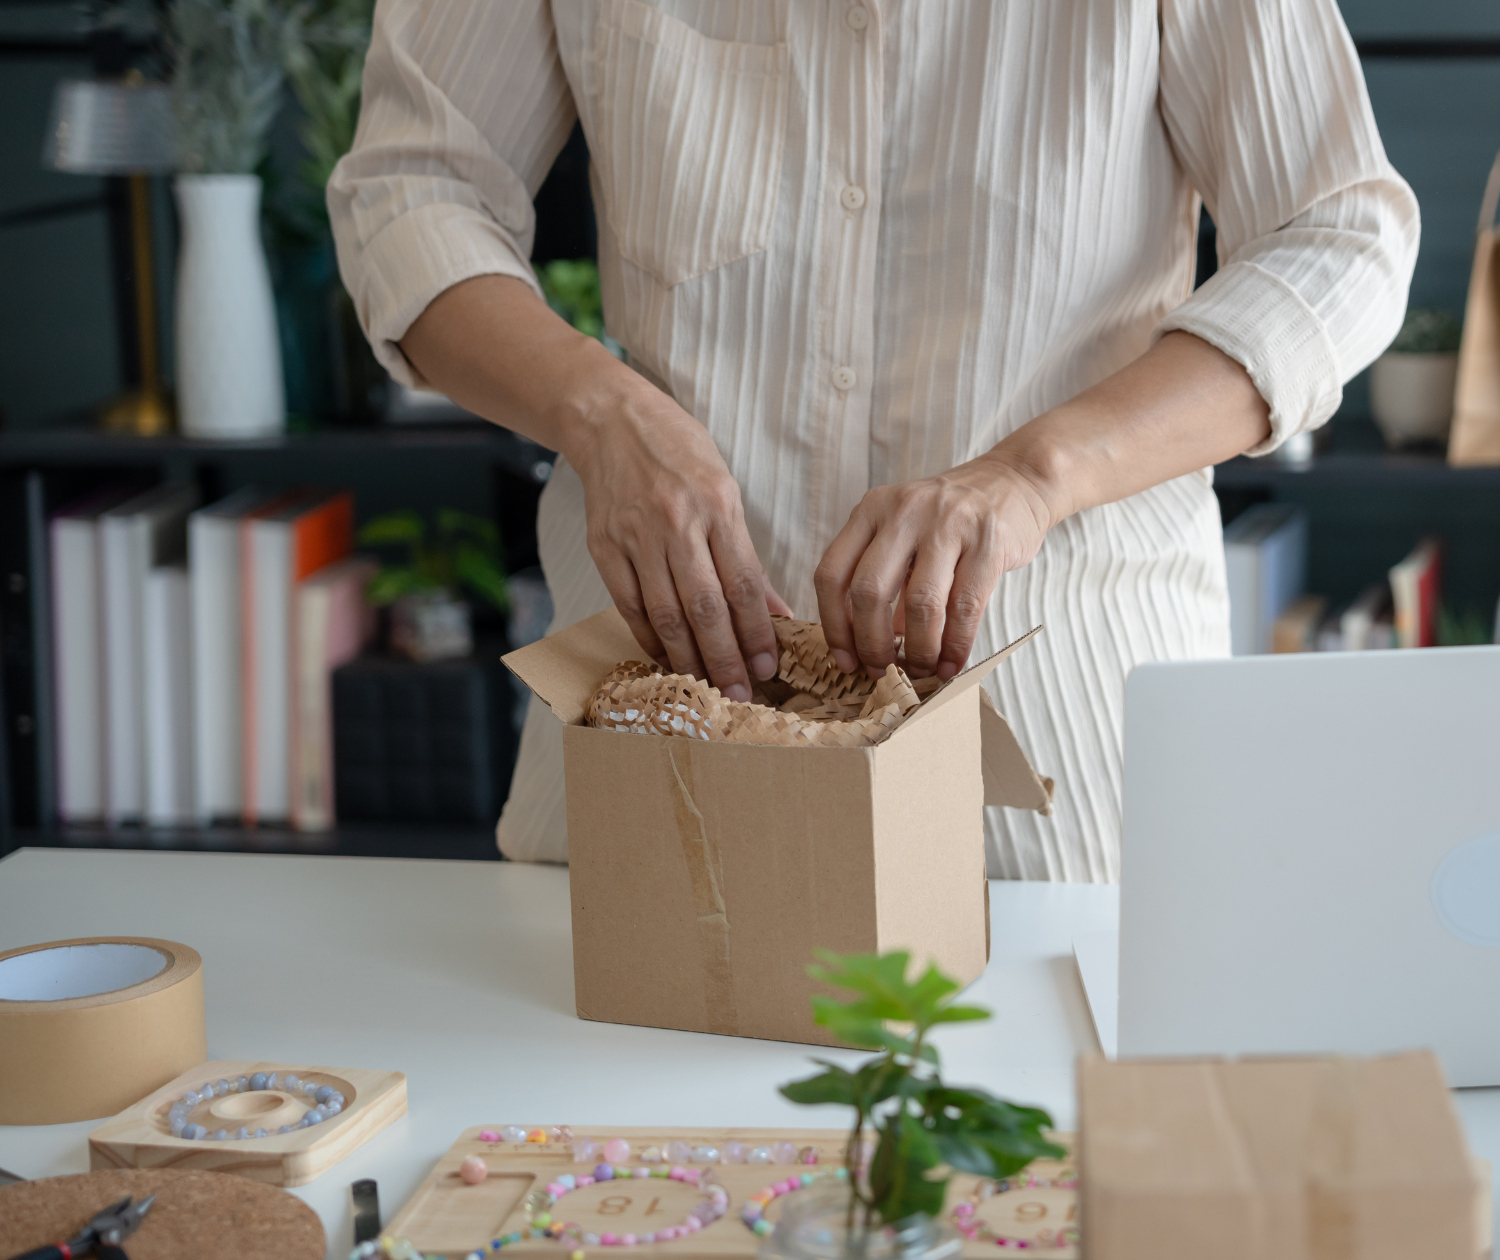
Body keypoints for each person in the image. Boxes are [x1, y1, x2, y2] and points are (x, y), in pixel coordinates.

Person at [331, 0, 1417, 881]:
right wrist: (597, 410)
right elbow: (412, 189)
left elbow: (1339, 238)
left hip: (1065, 775)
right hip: (652, 744)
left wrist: (1036, 475)